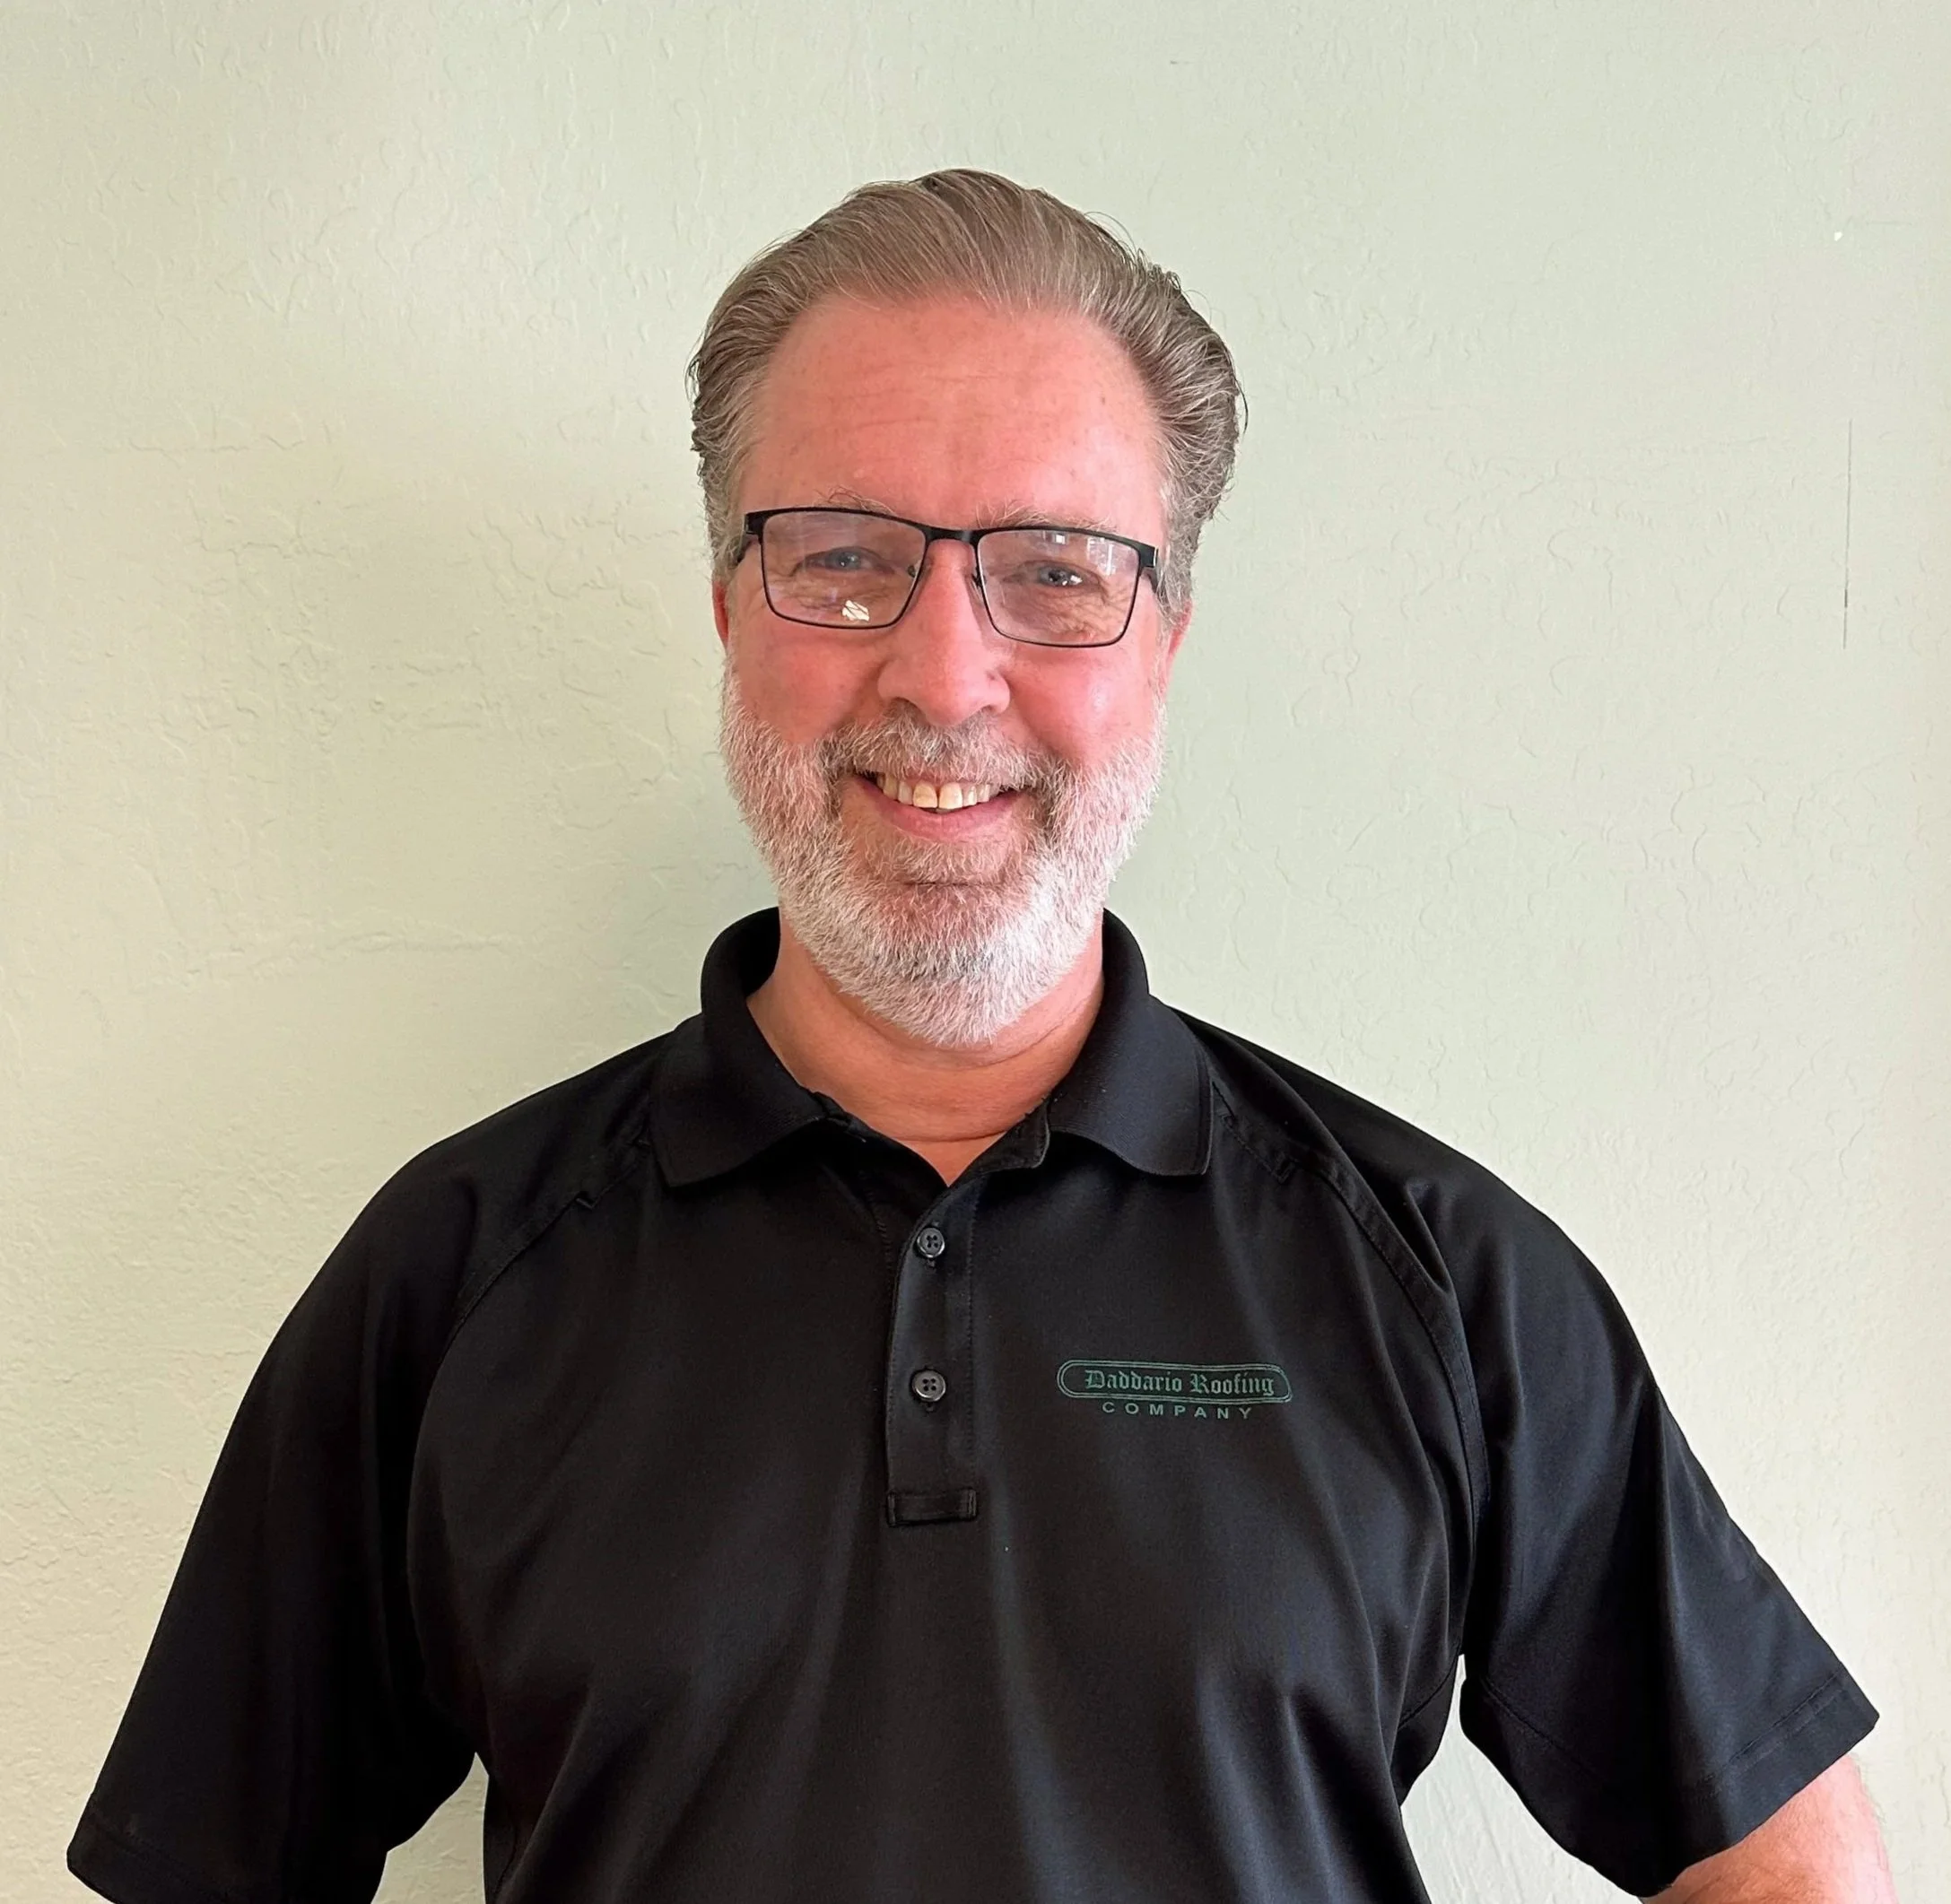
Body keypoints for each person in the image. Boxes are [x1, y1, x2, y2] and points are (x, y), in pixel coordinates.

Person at [70, 170, 1894, 1904]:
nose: (941, 676)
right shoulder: (456, 1270)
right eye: (843, 555)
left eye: (1052, 570)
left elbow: (1788, 1855)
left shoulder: (1427, 1269)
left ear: (1163, 632)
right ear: (725, 608)